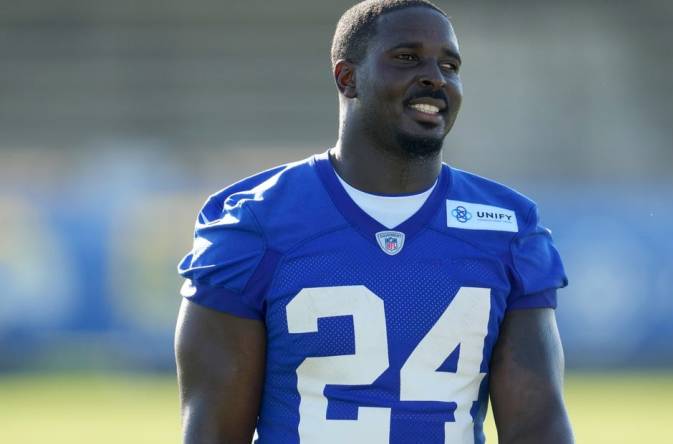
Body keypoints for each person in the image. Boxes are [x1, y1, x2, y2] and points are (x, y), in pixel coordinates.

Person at [174, 1, 573, 443]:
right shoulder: (254, 223)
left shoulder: (507, 230)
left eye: (449, 64)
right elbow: (212, 431)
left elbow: (538, 425)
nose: (435, 77)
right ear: (348, 78)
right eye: (407, 57)